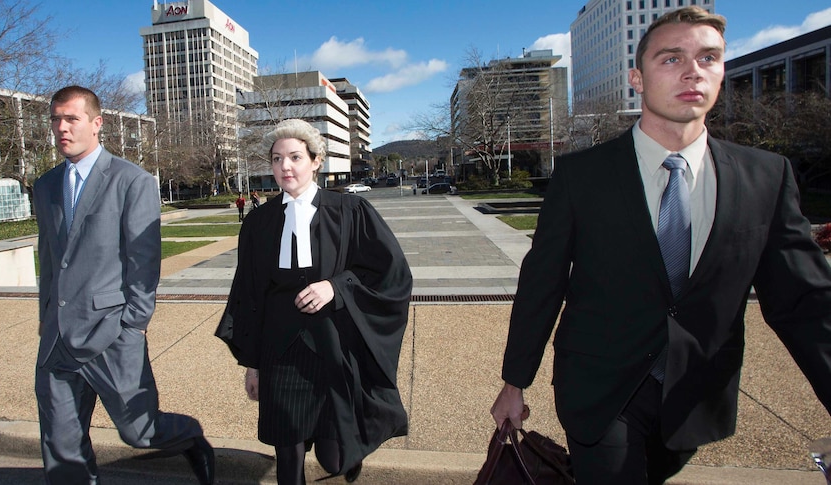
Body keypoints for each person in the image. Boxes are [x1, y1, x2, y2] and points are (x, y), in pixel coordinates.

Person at [490, 7, 831, 485]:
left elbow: (805, 302)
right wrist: (514, 382)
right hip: (598, 389)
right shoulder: (582, 176)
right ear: (638, 78)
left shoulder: (766, 178)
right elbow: (542, 283)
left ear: (722, 71)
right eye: (671, 59)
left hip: (695, 393)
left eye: (708, 57)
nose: (693, 70)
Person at [33, 86, 214, 485]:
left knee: (140, 431)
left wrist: (132, 324)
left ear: (97, 124)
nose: (61, 128)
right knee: (61, 448)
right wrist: (46, 317)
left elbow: (143, 262)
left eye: (71, 119)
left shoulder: (131, 181)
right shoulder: (45, 187)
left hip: (112, 333)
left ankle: (191, 439)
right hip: (58, 341)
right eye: (55, 119)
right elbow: (50, 260)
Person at [217, 119, 412, 484]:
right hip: (281, 354)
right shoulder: (258, 223)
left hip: (335, 348)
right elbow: (248, 296)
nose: (285, 167)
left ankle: (339, 449)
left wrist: (337, 287)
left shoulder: (351, 211)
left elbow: (392, 273)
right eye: (276, 159)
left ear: (316, 160)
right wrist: (253, 364)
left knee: (334, 459)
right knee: (288, 457)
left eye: (294, 157)